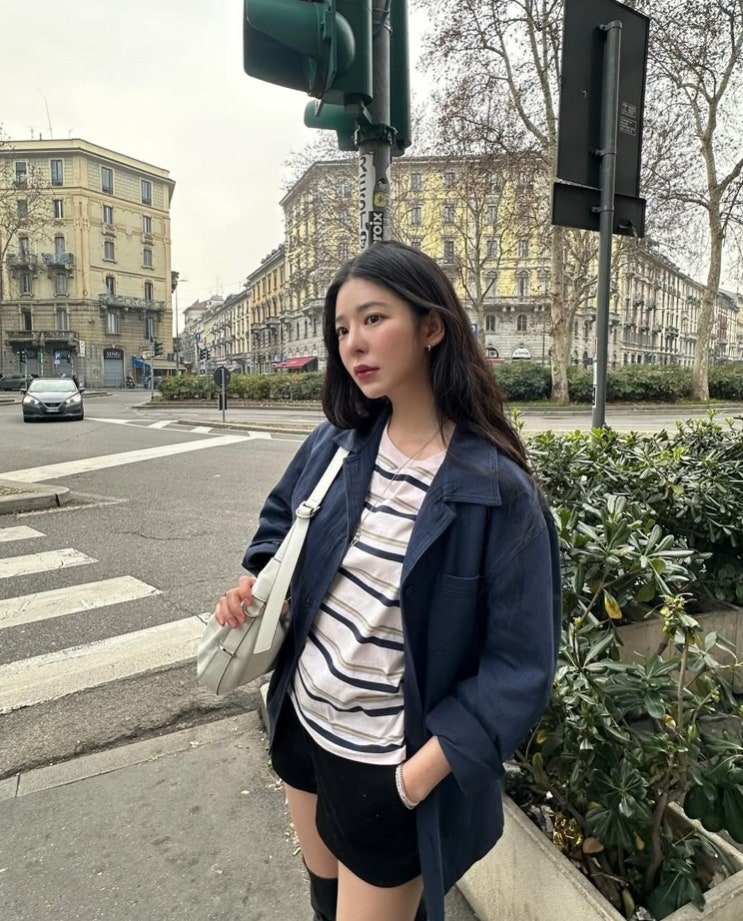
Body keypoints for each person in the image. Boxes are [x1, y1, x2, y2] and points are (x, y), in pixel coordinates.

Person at [213, 241, 561, 921]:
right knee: (323, 900)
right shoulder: (337, 443)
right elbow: (279, 522)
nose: (353, 343)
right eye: (342, 328)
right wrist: (255, 585)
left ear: (431, 327)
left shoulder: (497, 493)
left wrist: (411, 781)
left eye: (373, 319)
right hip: (300, 724)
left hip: (385, 766)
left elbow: (519, 668)